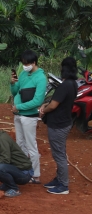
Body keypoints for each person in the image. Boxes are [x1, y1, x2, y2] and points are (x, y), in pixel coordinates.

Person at [39, 57, 78, 195]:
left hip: (58, 125)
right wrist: (46, 105)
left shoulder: (64, 85)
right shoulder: (73, 84)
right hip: (65, 122)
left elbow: (54, 105)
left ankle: (63, 185)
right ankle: (59, 179)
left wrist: (44, 109)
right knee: (59, 153)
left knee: (59, 155)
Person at [10, 50, 46, 184]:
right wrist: (12, 83)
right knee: (20, 143)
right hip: (18, 115)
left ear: (34, 63)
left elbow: (37, 101)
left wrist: (19, 107)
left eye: (27, 64)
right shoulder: (24, 74)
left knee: (31, 145)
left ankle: (35, 175)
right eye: (23, 63)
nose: (24, 66)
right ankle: (23, 169)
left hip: (29, 116)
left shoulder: (41, 78)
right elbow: (15, 92)